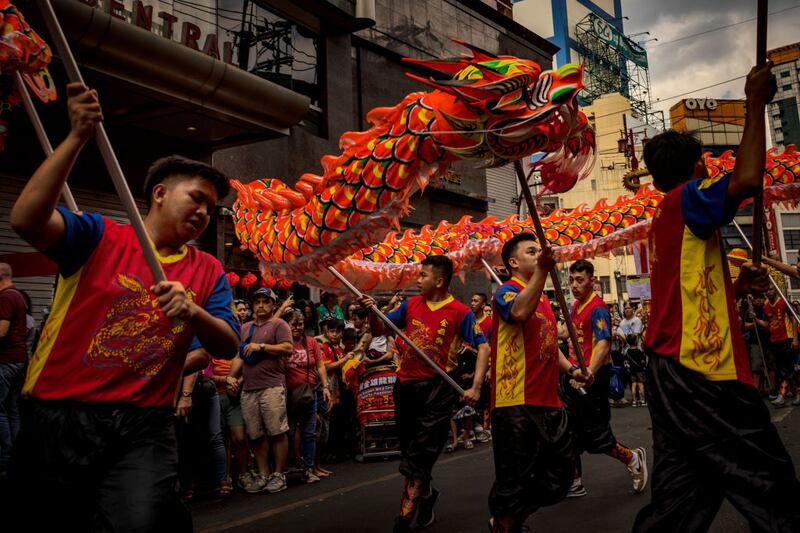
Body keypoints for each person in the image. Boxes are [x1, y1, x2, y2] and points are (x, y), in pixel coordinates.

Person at [8, 82, 240, 531]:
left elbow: (228, 344)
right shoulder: (98, 235)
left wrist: (193, 312)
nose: (203, 214)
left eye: (211, 209)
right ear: (159, 193)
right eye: (196, 198)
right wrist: (76, 137)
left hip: (144, 429)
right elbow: (25, 219)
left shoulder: (209, 270)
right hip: (58, 418)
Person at [633, 62, 800, 532]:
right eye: (705, 163)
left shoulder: (666, 214)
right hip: (701, 370)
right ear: (697, 167)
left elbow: (686, 293)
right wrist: (753, 103)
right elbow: (747, 179)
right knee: (771, 486)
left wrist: (737, 288)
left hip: (669, 368)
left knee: (680, 499)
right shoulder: (691, 196)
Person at [359, 255, 489, 532]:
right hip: (405, 385)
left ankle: (404, 517)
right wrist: (373, 310)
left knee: (421, 452)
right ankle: (427, 495)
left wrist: (475, 387)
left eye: (422, 276)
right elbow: (380, 328)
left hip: (439, 389)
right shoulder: (410, 304)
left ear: (439, 281)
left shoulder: (459, 311)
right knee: (410, 452)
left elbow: (484, 347)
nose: (417, 280)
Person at [488, 234, 591, 533]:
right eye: (530, 252)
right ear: (513, 262)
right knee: (515, 481)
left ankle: (509, 518)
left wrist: (572, 370)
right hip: (515, 401)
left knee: (559, 478)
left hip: (548, 401)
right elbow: (519, 312)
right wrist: (544, 270)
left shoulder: (543, 298)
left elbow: (548, 344)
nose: (538, 254)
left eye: (539, 251)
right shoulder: (506, 292)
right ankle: (505, 524)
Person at [563, 259, 647, 498]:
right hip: (574, 377)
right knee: (569, 432)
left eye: (580, 280)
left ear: (593, 281)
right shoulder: (576, 307)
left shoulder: (597, 307)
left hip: (592, 379)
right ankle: (575, 480)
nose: (574, 285)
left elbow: (603, 343)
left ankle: (632, 458)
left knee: (596, 435)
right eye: (571, 280)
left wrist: (588, 372)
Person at [230, 287, 293, 494]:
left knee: (277, 431)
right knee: (255, 435)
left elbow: (287, 348)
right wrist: (232, 377)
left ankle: (279, 474)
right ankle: (264, 474)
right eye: (257, 301)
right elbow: (240, 355)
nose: (261, 305)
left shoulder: (279, 324)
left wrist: (262, 347)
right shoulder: (245, 328)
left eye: (265, 301)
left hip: (272, 386)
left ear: (273, 304)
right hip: (249, 389)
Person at [283, 309, 331, 484]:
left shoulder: (311, 342)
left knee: (309, 433)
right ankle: (288, 466)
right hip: (287, 395)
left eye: (300, 324)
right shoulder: (282, 343)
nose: (297, 327)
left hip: (309, 395)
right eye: (293, 324)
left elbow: (320, 365)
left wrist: (325, 386)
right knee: (287, 433)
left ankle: (308, 469)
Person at [0, 263, 28, 476]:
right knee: (12, 409)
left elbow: (1, 331)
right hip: (19, 360)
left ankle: (5, 457)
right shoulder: (18, 295)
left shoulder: (5, 298)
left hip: (6, 360)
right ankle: (16, 456)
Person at [763, 286, 798, 407]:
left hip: (787, 339)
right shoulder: (765, 305)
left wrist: (795, 338)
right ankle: (798, 393)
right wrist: (755, 318)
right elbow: (767, 323)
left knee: (786, 369)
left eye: (771, 289)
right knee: (786, 369)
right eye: (767, 289)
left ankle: (782, 396)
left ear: (776, 290)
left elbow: (793, 319)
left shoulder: (783, 301)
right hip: (774, 341)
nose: (769, 291)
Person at [623, 334, 647, 407]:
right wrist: (643, 367)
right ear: (636, 341)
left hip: (632, 371)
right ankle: (642, 400)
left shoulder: (627, 352)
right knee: (641, 385)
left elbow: (626, 363)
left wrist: (628, 369)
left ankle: (634, 401)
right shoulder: (639, 351)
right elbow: (643, 361)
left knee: (633, 385)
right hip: (639, 370)